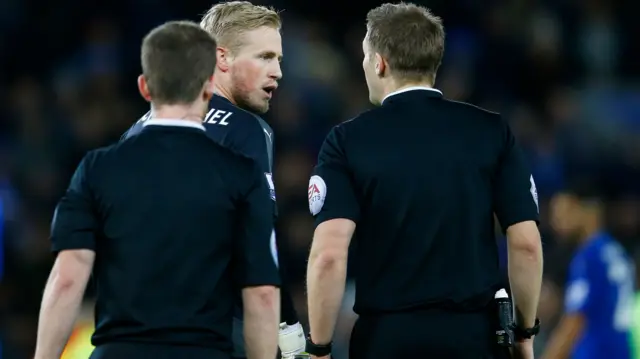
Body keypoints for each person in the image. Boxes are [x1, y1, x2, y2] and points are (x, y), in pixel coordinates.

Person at [304, 3, 543, 359]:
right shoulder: (491, 132)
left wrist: (319, 348)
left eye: (366, 56)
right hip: (475, 338)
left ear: (380, 62)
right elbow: (526, 244)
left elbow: (327, 255)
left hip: (385, 339)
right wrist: (524, 332)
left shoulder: (346, 141)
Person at [34, 21, 280, 359]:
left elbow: (66, 279)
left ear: (145, 87)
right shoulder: (242, 173)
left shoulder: (98, 168)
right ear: (208, 86)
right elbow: (262, 293)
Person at [122, 3, 306, 358]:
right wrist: (285, 321)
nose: (278, 72)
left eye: (279, 60)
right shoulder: (247, 130)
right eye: (265, 57)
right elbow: (255, 241)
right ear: (222, 58)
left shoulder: (137, 130)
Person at [541, 184, 633, 359]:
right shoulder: (616, 251)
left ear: (586, 210)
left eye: (563, 211)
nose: (556, 221)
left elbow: (574, 322)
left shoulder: (589, 256)